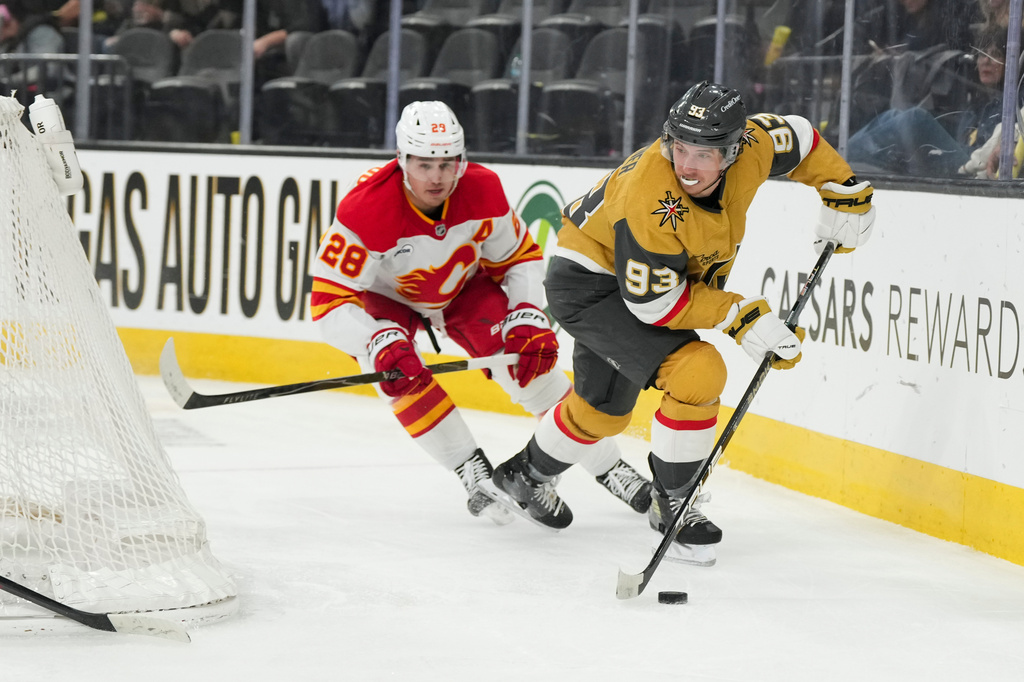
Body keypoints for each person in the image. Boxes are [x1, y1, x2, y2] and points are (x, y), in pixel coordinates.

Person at [486, 81, 875, 565]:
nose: (687, 165)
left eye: (704, 153)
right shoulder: (651, 198)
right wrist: (739, 316)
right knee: (698, 372)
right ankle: (675, 504)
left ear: (734, 150)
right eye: (679, 147)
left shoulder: (753, 144)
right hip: (589, 285)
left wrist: (842, 188)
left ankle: (524, 474)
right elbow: (654, 305)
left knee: (604, 410)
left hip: (635, 276)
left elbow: (799, 137)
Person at [310, 101, 652, 525]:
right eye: (423, 164)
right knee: (397, 374)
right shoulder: (365, 210)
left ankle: (610, 466)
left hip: (464, 290)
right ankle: (471, 469)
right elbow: (328, 305)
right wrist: (374, 341)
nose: (436, 177)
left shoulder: (483, 188)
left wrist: (526, 310)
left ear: (462, 159)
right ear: (401, 161)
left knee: (531, 364)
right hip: (388, 301)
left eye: (447, 163)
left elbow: (518, 257)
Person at [846, 25, 1019, 177]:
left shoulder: (1012, 104)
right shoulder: (977, 104)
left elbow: (982, 152)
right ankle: (845, 153)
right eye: (981, 55)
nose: (986, 61)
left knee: (915, 118)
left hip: (971, 167)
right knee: (895, 114)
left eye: (995, 55)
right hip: (958, 158)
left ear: (1010, 63)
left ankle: (845, 156)